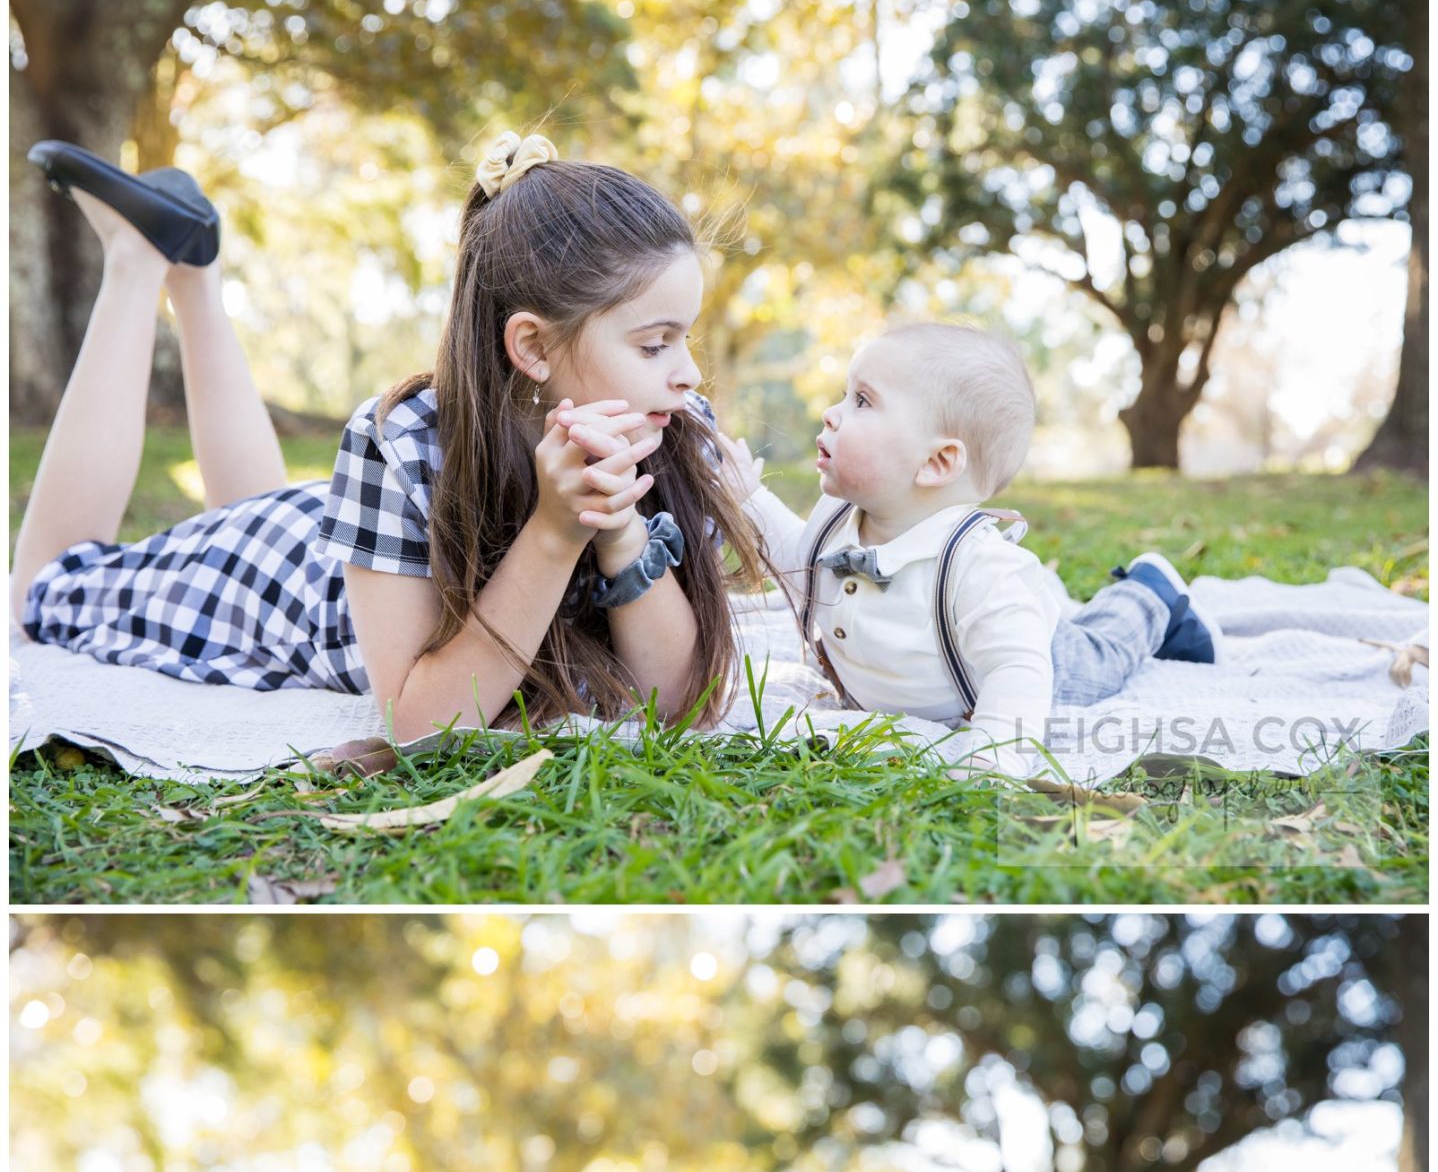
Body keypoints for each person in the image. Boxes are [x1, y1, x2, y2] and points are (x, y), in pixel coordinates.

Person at [12, 133, 768, 738]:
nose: (689, 377)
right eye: (654, 344)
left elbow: (674, 705)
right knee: (42, 591)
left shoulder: (667, 435)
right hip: (289, 575)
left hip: (355, 558)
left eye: (686, 341)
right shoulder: (403, 441)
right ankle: (138, 261)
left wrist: (619, 526)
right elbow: (415, 722)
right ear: (533, 347)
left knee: (252, 505)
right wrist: (552, 532)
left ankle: (196, 273)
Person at [719, 323, 1222, 778]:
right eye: (845, 395)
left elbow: (1015, 671)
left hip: (1041, 659)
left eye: (863, 401)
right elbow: (798, 564)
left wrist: (993, 751)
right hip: (961, 644)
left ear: (937, 462)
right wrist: (749, 499)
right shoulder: (837, 519)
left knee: (1107, 653)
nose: (831, 413)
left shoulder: (978, 567)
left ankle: (1152, 592)